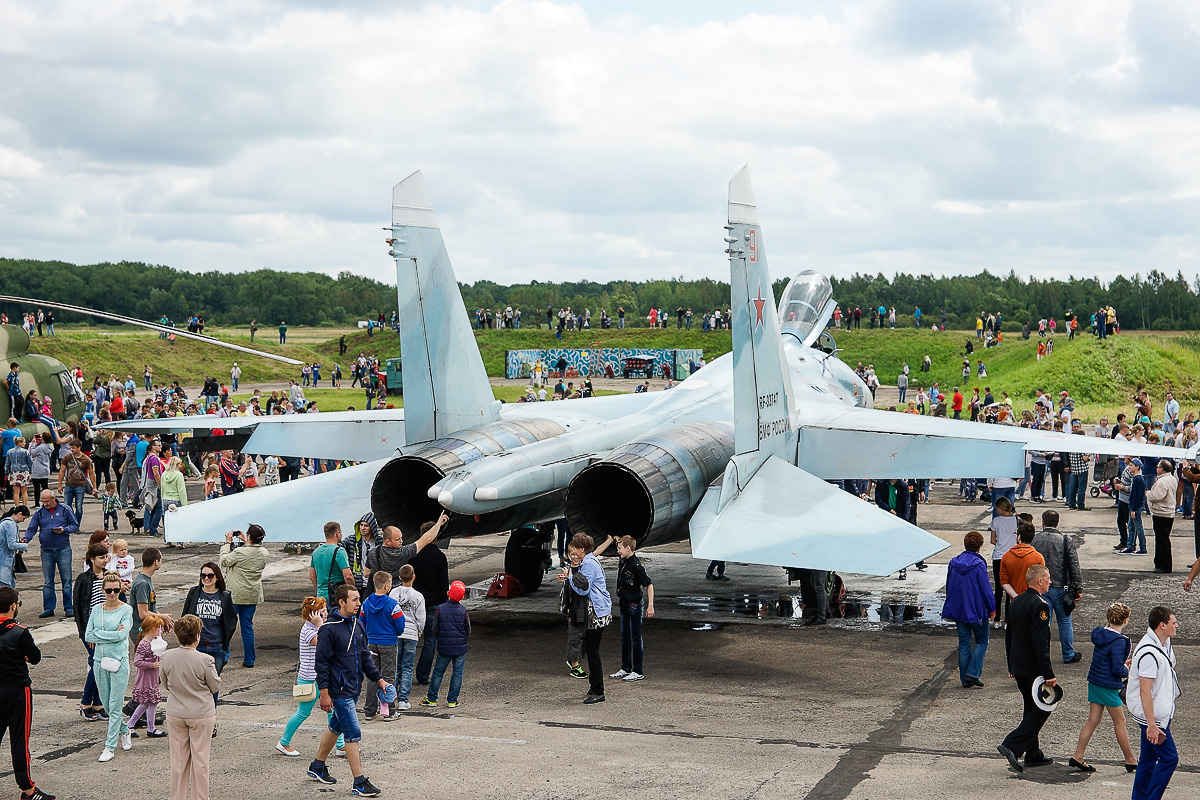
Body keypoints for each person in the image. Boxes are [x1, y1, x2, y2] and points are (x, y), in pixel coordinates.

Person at [307, 585, 390, 797]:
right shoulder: (329, 629)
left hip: (353, 688)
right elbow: (322, 663)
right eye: (354, 599)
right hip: (339, 691)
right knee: (353, 733)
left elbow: (365, 658)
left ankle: (317, 766)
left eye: (358, 599)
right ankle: (359, 782)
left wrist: (379, 680)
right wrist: (324, 692)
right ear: (342, 602)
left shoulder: (358, 625)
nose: (358, 603)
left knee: (335, 727)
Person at [997, 565, 1056, 772]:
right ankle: (1012, 745)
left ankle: (1033, 754)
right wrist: (1048, 674)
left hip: (1018, 665)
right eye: (1048, 578)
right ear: (1039, 581)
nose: (1050, 581)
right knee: (1042, 708)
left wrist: (1011, 665)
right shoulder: (1040, 605)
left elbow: (1009, 637)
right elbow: (1041, 643)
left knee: (1030, 708)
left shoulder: (1017, 601)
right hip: (1033, 668)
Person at [0, 586, 54, 800]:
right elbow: (35, 657)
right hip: (17, 690)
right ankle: (27, 789)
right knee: (19, 741)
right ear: (13, 607)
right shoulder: (19, 632)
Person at [1069, 603, 1136, 773]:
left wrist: (1121, 664)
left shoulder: (1101, 634)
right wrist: (1127, 668)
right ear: (1125, 620)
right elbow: (1116, 669)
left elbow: (1108, 660)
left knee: (1093, 719)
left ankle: (1078, 755)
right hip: (1108, 685)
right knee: (1120, 722)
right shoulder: (1119, 641)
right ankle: (1130, 759)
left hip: (1095, 681)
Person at [161, 614, 222, 800]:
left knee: (178, 762)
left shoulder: (166, 656)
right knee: (201, 761)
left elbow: (164, 684)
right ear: (197, 636)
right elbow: (215, 686)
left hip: (176, 711)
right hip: (201, 712)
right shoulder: (205, 660)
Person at [277, 596, 345, 758]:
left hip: (321, 677)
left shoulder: (319, 627)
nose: (326, 614)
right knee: (303, 713)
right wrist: (321, 626)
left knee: (333, 710)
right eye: (322, 612)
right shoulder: (308, 630)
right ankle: (284, 742)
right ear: (313, 615)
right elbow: (324, 644)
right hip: (309, 678)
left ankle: (341, 745)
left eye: (325, 610)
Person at [1127, 606, 1181, 799]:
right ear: (1162, 625)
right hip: (1154, 718)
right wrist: (1151, 725)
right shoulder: (1150, 653)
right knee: (1169, 759)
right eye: (1173, 622)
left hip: (1157, 714)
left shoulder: (1164, 643)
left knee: (1148, 760)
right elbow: (1144, 691)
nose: (1177, 626)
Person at [85, 571, 133, 762]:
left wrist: (101, 633)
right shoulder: (97, 610)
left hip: (120, 662)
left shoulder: (126, 609)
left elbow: (121, 636)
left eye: (116, 589)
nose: (112, 593)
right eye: (109, 590)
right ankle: (124, 729)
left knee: (114, 706)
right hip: (100, 662)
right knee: (106, 703)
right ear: (103, 590)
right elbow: (88, 635)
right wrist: (111, 633)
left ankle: (109, 746)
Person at [559, 533, 612, 704]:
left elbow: (583, 589)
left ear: (582, 549)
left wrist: (569, 577)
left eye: (575, 547)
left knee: (593, 652)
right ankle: (594, 687)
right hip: (597, 611)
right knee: (591, 651)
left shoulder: (588, 563)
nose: (573, 550)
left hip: (595, 613)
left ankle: (598, 691)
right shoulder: (590, 559)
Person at [182, 562, 236, 726]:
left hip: (215, 647)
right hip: (195, 646)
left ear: (217, 577)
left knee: (212, 686)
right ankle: (193, 717)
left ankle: (210, 721)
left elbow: (231, 621)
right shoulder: (195, 593)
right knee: (193, 683)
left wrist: (224, 645)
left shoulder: (224, 596)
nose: (206, 578)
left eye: (210, 576)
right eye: (203, 575)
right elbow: (185, 617)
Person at [942, 531, 995, 688]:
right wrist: (992, 608)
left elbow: (949, 585)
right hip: (976, 609)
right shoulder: (979, 565)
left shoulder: (953, 562)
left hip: (959, 608)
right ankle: (973, 672)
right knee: (982, 640)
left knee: (964, 643)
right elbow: (986, 589)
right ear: (979, 546)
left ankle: (965, 679)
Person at [1031, 510, 1083, 663]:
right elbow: (1074, 565)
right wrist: (1078, 588)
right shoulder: (1065, 540)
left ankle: (1042, 655)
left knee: (1043, 623)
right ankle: (1068, 654)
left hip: (1040, 586)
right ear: (1057, 523)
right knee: (1065, 621)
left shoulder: (1035, 540)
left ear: (1043, 522)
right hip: (1061, 587)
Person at [24, 490, 79, 618]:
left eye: (47, 501)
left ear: (54, 499)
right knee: (48, 581)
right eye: (43, 501)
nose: (45, 504)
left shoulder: (65, 509)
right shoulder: (39, 512)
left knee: (66, 581)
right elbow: (32, 528)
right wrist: (25, 540)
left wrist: (64, 530)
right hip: (46, 550)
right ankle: (49, 608)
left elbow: (75, 525)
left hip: (63, 549)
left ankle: (68, 607)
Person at [73, 542, 112, 721]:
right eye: (101, 557)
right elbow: (78, 607)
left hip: (107, 628)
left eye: (106, 557)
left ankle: (97, 703)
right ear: (92, 559)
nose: (105, 560)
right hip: (90, 629)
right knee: (97, 663)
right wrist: (85, 632)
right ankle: (86, 702)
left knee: (102, 664)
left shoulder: (109, 577)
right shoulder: (84, 578)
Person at [220, 525, 267, 668]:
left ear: (250, 537)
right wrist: (247, 541)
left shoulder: (239, 552)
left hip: (235, 594)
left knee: (227, 627)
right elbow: (252, 552)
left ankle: (224, 656)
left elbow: (224, 561)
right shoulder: (264, 552)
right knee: (247, 628)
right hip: (251, 595)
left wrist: (227, 544)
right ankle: (249, 660)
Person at [408, 522, 449, 687]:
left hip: (413, 602)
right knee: (430, 641)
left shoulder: (412, 555)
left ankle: (403, 673)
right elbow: (443, 584)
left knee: (410, 639)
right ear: (436, 536)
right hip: (432, 603)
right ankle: (423, 675)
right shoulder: (439, 557)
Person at [608, 536, 654, 682]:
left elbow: (649, 584)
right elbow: (624, 541)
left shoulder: (636, 566)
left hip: (634, 604)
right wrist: (617, 538)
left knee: (636, 638)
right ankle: (625, 667)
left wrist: (650, 605)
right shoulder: (623, 561)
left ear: (628, 549)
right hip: (624, 603)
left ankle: (638, 670)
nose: (618, 551)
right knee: (625, 637)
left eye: (620, 548)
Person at [361, 571, 405, 719]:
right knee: (388, 676)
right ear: (386, 586)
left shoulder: (366, 603)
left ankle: (369, 710)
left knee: (373, 676)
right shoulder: (392, 604)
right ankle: (390, 711)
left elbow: (361, 623)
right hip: (388, 643)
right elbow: (400, 626)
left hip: (372, 642)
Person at [420, 580, 469, 709]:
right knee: (457, 673)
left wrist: (440, 639)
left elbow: (435, 629)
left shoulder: (440, 609)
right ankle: (452, 700)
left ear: (448, 593)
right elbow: (468, 629)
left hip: (444, 647)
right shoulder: (463, 610)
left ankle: (432, 698)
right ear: (462, 597)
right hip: (460, 647)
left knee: (438, 672)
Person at [388, 564, 424, 712]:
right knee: (407, 667)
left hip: (395, 633)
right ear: (414, 577)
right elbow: (421, 619)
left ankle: (391, 697)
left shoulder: (393, 593)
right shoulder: (418, 596)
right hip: (411, 634)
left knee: (394, 667)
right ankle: (404, 699)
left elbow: (389, 613)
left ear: (400, 577)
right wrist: (418, 633)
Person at [127, 613, 168, 739]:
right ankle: (131, 724)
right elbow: (137, 662)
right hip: (146, 678)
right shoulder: (144, 645)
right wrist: (152, 664)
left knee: (151, 703)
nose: (160, 631)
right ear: (152, 629)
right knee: (146, 702)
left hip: (152, 678)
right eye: (159, 628)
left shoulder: (153, 642)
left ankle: (148, 727)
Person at [131, 547, 173, 639]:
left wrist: (162, 618)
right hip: (141, 631)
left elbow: (150, 608)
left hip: (149, 629)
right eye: (161, 560)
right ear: (156, 562)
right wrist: (162, 616)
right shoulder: (142, 583)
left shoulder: (146, 580)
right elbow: (143, 614)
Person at [309, 522, 353, 606]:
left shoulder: (316, 552)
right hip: (336, 596)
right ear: (337, 533)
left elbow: (312, 576)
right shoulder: (339, 551)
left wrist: (319, 590)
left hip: (320, 596)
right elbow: (348, 576)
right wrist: (353, 591)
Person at [1146, 460, 1178, 573]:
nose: (1156, 468)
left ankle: (1165, 565)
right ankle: (1159, 562)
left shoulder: (1162, 481)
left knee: (1162, 539)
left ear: (1162, 469)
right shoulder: (1172, 479)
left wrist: (1148, 494)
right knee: (1162, 538)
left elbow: (1157, 496)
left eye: (1158, 467)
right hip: (1168, 512)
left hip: (1161, 513)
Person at [999, 521, 1044, 603]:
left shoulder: (1006, 556)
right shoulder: (1038, 557)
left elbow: (1004, 582)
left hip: (1014, 601)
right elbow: (1041, 581)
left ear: (1019, 537)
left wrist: (1016, 597)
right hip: (1033, 600)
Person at [57, 440, 94, 525]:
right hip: (69, 485)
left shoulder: (86, 459)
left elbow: (91, 473)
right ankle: (69, 523)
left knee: (79, 507)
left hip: (81, 486)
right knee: (67, 506)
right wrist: (59, 485)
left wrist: (94, 487)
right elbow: (62, 471)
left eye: (73, 448)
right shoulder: (67, 457)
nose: (71, 449)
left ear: (79, 448)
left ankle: (76, 525)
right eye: (71, 448)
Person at [0, 506, 29, 589]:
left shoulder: (5, 522)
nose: (23, 520)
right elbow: (12, 544)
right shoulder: (10, 524)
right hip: (4, 560)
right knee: (6, 589)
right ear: (19, 514)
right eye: (24, 518)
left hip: (4, 559)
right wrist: (24, 546)